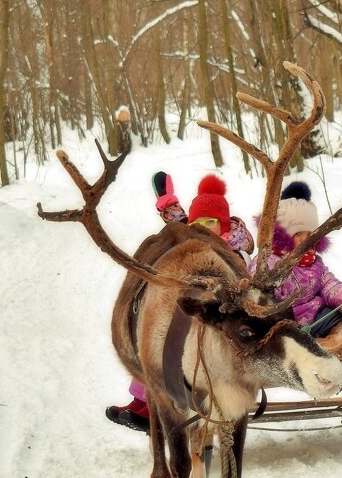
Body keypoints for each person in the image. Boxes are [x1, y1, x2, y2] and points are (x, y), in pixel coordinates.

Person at [106, 173, 252, 430]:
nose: (204, 227)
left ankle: (158, 404)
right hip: (187, 310)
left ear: (224, 225)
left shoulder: (233, 250)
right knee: (154, 343)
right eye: (199, 222)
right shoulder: (191, 237)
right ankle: (143, 401)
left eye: (211, 222)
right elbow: (178, 222)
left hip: (217, 320)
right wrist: (166, 199)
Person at [257, 181, 342, 339]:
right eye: (297, 234)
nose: (305, 240)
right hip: (287, 325)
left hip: (318, 315)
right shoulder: (269, 264)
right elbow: (263, 299)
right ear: (283, 236)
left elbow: (330, 285)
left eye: (310, 235)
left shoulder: (315, 262)